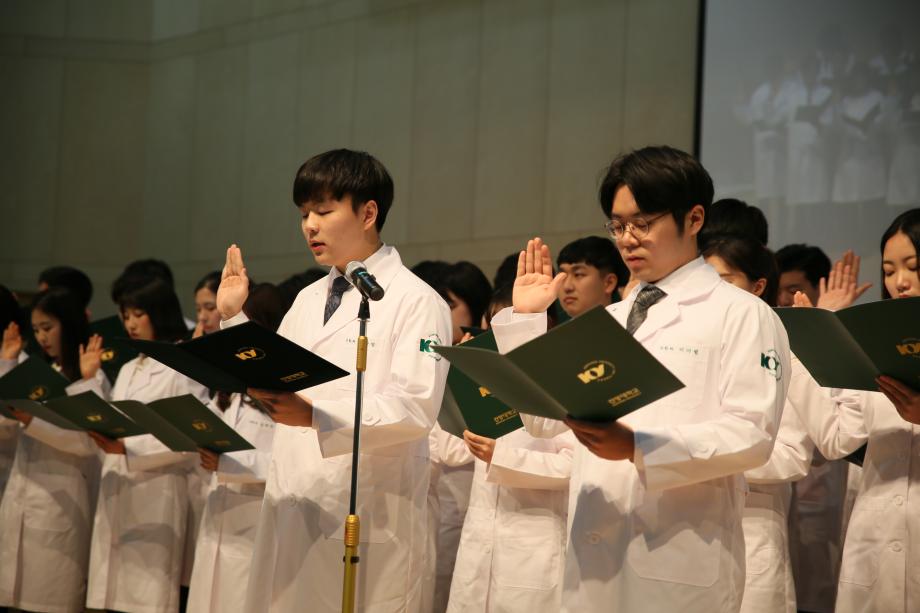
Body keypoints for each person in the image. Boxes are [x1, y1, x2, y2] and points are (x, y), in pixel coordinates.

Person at [490, 145, 789, 612]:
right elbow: (543, 422)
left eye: (643, 223)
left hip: (677, 562)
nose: (627, 239)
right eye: (618, 225)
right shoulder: (608, 319)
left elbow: (752, 436)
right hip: (592, 557)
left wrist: (638, 447)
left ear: (694, 219)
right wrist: (527, 320)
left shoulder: (742, 314)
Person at [217, 149, 452, 612]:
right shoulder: (307, 299)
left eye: (323, 211)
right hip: (294, 504)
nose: (310, 225)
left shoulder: (417, 301)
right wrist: (232, 319)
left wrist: (314, 415)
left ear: (368, 213)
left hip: (370, 518)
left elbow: (414, 408)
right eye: (304, 213)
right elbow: (271, 374)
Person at [789, 209, 920, 613]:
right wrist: (812, 335)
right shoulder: (875, 348)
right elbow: (836, 438)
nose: (899, 281)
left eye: (914, 267)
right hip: (874, 544)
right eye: (889, 270)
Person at [703, 235, 813, 612]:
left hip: (754, 529)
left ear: (758, 286)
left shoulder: (779, 347)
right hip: (696, 533)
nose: (711, 293)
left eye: (724, 280)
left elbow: (792, 456)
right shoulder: (698, 347)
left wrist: (706, 457)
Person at [86, 278, 209, 613]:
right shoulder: (128, 368)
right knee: (111, 597)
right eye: (126, 315)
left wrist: (129, 450)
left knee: (148, 595)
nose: (130, 323)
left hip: (158, 492)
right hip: (116, 486)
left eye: (138, 314)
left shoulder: (182, 363)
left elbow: (191, 437)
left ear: (159, 312)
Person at [0, 288, 105, 613]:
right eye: (36, 329)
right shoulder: (39, 373)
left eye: (48, 327)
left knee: (48, 601)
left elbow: (88, 441)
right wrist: (7, 361)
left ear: (68, 325)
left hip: (60, 504)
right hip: (22, 497)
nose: (41, 337)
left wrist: (32, 420)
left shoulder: (89, 376)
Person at [186, 283, 285, 613]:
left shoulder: (286, 392)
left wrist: (228, 463)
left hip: (253, 523)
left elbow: (287, 463)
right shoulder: (232, 386)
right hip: (216, 518)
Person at [445, 426, 574, 612]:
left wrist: (502, 457)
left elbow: (572, 466)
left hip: (532, 544)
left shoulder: (557, 412)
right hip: (478, 541)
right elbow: (450, 452)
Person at [556, 236, 629, 317]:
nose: (567, 287)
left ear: (609, 283)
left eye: (578, 274)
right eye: (562, 276)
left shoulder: (631, 323)